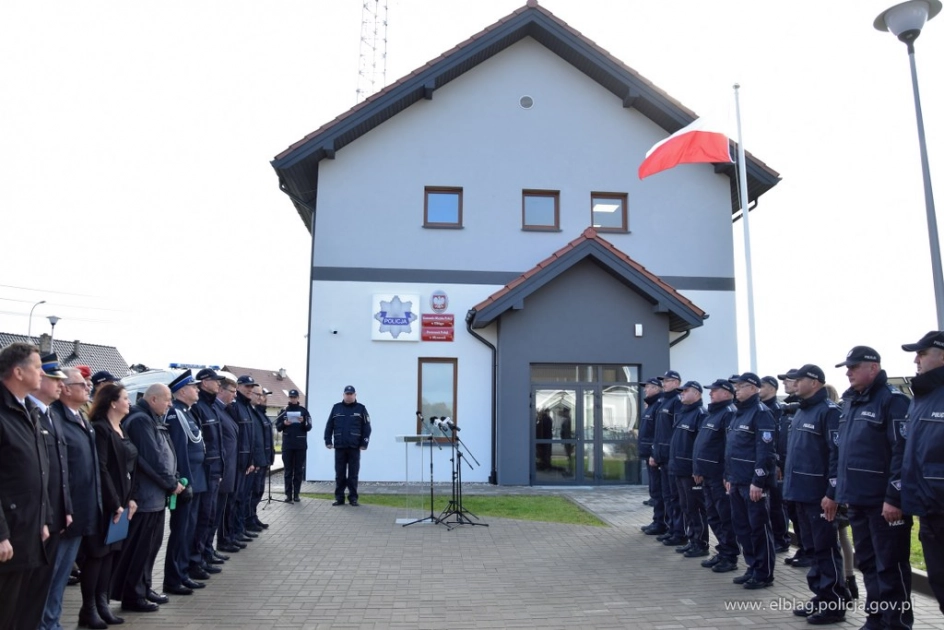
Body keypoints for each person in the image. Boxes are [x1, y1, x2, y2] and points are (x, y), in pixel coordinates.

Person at [782, 364, 846, 624]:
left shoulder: (828, 412)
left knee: (826, 549)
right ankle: (821, 595)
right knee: (811, 549)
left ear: (815, 382)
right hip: (799, 493)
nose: (794, 384)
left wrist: (832, 493)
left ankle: (834, 603)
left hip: (818, 496)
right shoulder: (801, 410)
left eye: (799, 380)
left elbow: (836, 454)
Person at [111, 383, 180, 613]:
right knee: (140, 548)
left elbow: (165, 452)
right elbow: (151, 460)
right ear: (153, 399)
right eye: (167, 399)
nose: (170, 403)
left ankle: (144, 586)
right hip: (145, 496)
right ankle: (133, 595)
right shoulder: (141, 421)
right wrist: (171, 484)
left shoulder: (153, 418)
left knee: (151, 546)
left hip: (156, 496)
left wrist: (174, 479)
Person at [43, 367, 103, 630]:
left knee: (60, 577)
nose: (87, 387)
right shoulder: (55, 418)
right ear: (65, 389)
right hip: (64, 513)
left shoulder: (79, 417)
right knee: (50, 577)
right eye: (81, 384)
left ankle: (52, 623)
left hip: (81, 511)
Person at [0, 342, 52, 630]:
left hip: (29, 529)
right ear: (18, 372)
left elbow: (37, 472)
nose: (42, 374)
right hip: (8, 536)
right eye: (37, 367)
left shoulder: (27, 411)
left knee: (24, 611)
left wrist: (44, 520)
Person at [894, 331, 944, 615]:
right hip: (929, 511)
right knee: (940, 583)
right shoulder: (921, 397)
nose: (916, 360)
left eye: (923, 353)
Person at [25, 353, 71, 629]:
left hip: (55, 511)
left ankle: (49, 624)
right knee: (35, 582)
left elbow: (62, 470)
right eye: (54, 378)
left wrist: (65, 508)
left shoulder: (50, 415)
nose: (59, 385)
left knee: (53, 579)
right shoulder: (30, 414)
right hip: (33, 515)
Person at [88, 382, 139, 627]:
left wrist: (130, 498)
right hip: (107, 504)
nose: (129, 402)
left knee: (110, 555)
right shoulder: (100, 429)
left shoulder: (121, 428)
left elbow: (129, 466)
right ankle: (89, 608)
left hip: (122, 501)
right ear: (112, 402)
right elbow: (102, 468)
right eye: (125, 398)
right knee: (97, 556)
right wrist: (115, 502)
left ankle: (102, 603)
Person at [725, 372, 777, 590]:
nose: (737, 389)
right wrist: (728, 476)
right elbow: (731, 448)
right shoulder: (738, 413)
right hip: (736, 481)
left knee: (758, 528)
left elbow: (764, 451)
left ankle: (763, 573)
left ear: (754, 388)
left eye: (742, 386)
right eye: (736, 386)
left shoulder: (761, 413)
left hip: (752, 484)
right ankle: (752, 567)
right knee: (742, 527)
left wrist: (758, 481)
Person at [163, 370, 208, 596]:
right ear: (182, 391)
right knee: (181, 532)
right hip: (186, 482)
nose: (197, 389)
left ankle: (182, 573)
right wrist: (185, 482)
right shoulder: (176, 414)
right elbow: (180, 452)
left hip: (197, 480)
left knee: (189, 532)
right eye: (193, 386)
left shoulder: (187, 413)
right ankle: (173, 579)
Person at [693, 379, 739, 573]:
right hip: (708, 475)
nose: (710, 393)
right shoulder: (713, 414)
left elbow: (729, 447)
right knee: (713, 516)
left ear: (728, 393)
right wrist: (698, 469)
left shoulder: (728, 413)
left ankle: (730, 555)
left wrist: (727, 474)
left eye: (715, 390)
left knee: (724, 517)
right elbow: (702, 445)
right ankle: (722, 550)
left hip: (719, 476)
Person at [191, 368, 227, 569]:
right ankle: (196, 560)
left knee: (210, 515)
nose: (218, 385)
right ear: (204, 382)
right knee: (203, 517)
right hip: (205, 472)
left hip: (214, 471)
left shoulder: (212, 407)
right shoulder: (199, 407)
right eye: (215, 381)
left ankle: (205, 553)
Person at [670, 381, 708, 558]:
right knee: (686, 507)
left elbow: (701, 445)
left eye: (686, 391)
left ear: (697, 394)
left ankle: (701, 543)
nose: (682, 394)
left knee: (696, 507)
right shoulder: (684, 414)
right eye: (681, 391)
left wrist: (697, 468)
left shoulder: (700, 414)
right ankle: (692, 539)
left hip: (691, 472)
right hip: (679, 469)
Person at [650, 370, 685, 546]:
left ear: (677, 383)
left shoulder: (676, 402)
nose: (664, 383)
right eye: (663, 381)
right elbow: (659, 432)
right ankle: (672, 529)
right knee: (667, 496)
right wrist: (655, 453)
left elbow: (675, 433)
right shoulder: (663, 401)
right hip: (662, 457)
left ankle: (679, 532)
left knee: (674, 497)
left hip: (671, 458)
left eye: (668, 381)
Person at [759, 375, 791, 554]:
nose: (759, 390)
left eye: (761, 386)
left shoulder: (778, 410)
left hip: (776, 464)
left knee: (778, 505)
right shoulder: (760, 409)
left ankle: (781, 539)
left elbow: (779, 439)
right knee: (769, 505)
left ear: (772, 388)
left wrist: (778, 462)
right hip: (766, 463)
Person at [325, 385, 371, 506]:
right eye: (347, 394)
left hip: (354, 447)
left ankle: (353, 498)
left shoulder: (361, 409)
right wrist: (328, 441)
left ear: (355, 395)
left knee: (353, 475)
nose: (349, 396)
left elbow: (367, 427)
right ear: (343, 395)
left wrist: (364, 443)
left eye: (351, 394)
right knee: (339, 474)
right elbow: (329, 426)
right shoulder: (336, 408)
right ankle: (339, 498)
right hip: (339, 447)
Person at [227, 375, 259, 545]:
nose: (250, 389)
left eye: (251, 386)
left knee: (241, 499)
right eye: (247, 386)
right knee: (234, 501)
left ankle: (239, 531)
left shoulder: (247, 407)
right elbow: (235, 438)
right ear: (238, 387)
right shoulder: (235, 407)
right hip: (237, 463)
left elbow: (250, 438)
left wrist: (251, 460)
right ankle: (231, 534)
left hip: (246, 463)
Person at [214, 377, 242, 555]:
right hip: (221, 471)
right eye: (232, 392)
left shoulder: (226, 410)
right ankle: (215, 546)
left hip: (230, 468)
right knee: (216, 514)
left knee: (223, 510)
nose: (235, 396)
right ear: (221, 391)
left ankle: (214, 548)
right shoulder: (215, 410)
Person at [639, 377, 666, 535]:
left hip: (654, 456)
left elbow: (659, 433)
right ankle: (658, 520)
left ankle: (660, 522)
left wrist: (654, 453)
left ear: (656, 388)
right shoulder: (651, 405)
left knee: (658, 491)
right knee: (654, 490)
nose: (645, 389)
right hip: (649, 455)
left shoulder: (658, 405)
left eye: (648, 387)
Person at [276, 389, 312, 503]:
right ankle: (288, 495)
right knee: (288, 471)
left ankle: (296, 494)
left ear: (298, 398)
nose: (292, 399)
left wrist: (303, 421)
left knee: (298, 471)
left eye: (294, 397)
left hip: (300, 445)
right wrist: (284, 423)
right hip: (288, 445)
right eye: (291, 397)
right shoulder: (283, 411)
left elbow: (309, 426)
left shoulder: (304, 411)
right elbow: (278, 427)